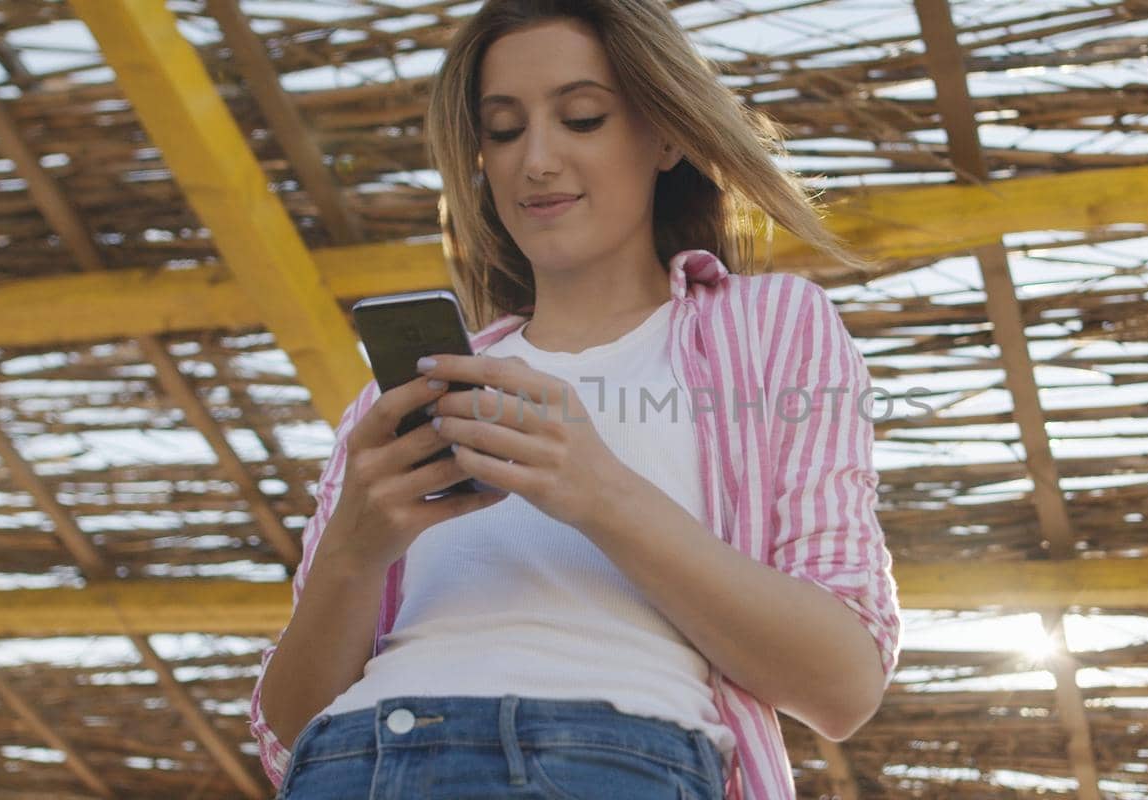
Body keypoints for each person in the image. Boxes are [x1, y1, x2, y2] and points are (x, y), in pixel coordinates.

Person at [246, 1, 903, 798]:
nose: (538, 160)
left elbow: (844, 682)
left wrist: (599, 491)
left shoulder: (769, 326)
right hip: (357, 767)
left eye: (583, 118)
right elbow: (286, 742)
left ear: (665, 135)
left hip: (611, 764)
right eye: (504, 129)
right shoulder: (406, 395)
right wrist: (353, 551)